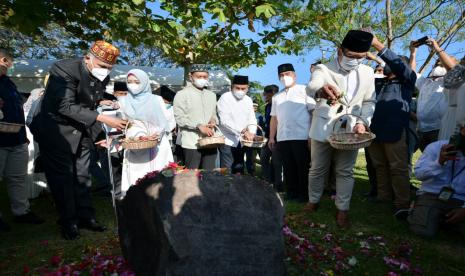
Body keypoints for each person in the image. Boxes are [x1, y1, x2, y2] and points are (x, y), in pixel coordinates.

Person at [31, 41, 127, 240]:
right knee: (63, 178)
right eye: (102, 66)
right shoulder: (63, 68)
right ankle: (69, 222)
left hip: (82, 129)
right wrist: (103, 119)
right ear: (87, 58)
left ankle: (86, 217)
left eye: (109, 68)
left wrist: (100, 135)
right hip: (55, 131)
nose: (105, 71)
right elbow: (64, 106)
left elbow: (90, 105)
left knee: (83, 176)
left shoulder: (102, 75)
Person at [306, 30, 376, 228]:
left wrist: (363, 121)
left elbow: (369, 101)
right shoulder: (323, 68)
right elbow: (313, 85)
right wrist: (320, 90)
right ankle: (313, 201)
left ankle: (342, 209)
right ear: (340, 51)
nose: (355, 61)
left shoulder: (368, 73)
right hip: (324, 127)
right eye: (351, 56)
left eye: (360, 57)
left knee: (345, 171)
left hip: (352, 131)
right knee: (317, 169)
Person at [367, 34, 416, 219]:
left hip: (395, 130)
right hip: (376, 130)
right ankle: (383, 197)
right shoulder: (380, 82)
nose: (386, 64)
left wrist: (378, 44)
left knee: (398, 167)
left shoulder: (407, 80)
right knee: (380, 165)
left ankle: (402, 203)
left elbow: (395, 62)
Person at [0, 48, 44, 232]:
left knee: (17, 177)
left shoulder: (9, 83)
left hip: (17, 137)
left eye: (8, 61)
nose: (8, 64)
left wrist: (24, 136)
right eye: (5, 60)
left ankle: (21, 211)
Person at [118, 69, 173, 195]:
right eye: (129, 81)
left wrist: (156, 133)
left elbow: (166, 120)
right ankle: (135, 200)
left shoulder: (156, 99)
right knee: (136, 173)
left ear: (144, 82)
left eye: (137, 82)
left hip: (156, 141)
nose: (133, 85)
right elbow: (123, 123)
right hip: (135, 142)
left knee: (158, 173)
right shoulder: (123, 101)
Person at [408, 126, 465, 238]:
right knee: (422, 231)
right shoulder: (436, 147)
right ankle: (420, 211)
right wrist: (439, 162)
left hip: (461, 200)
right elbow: (419, 174)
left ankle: (440, 220)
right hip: (432, 196)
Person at [269, 63, 315, 202]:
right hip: (283, 137)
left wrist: (311, 135)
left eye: (287, 74)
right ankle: (291, 193)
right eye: (281, 75)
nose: (284, 77)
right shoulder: (276, 97)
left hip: (302, 135)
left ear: (294, 75)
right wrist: (272, 137)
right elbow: (274, 119)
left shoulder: (305, 90)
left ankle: (304, 195)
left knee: (303, 167)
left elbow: (313, 113)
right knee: (288, 167)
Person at [173, 64, 218, 170]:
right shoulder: (182, 94)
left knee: (209, 173)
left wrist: (213, 121)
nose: (202, 79)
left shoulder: (212, 95)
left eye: (205, 77)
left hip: (209, 141)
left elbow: (214, 114)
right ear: (191, 76)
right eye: (199, 76)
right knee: (192, 175)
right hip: (191, 142)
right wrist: (198, 126)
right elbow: (179, 118)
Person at [410, 40, 449, 151]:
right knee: (427, 161)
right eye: (437, 62)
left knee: (438, 163)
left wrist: (437, 49)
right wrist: (413, 52)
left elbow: (452, 69)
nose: (438, 63)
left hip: (438, 130)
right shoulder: (425, 82)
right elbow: (412, 72)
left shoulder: (447, 82)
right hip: (421, 130)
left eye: (441, 62)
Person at [218, 75, 257, 174]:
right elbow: (224, 120)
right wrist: (243, 131)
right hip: (227, 140)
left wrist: (252, 132)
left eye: (243, 88)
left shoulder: (248, 100)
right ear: (232, 87)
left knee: (239, 169)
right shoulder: (225, 98)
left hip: (242, 140)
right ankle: (226, 189)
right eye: (237, 88)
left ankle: (238, 189)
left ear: (247, 88)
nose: (240, 90)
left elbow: (252, 118)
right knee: (227, 170)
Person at [259, 84, 283, 191]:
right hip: (268, 137)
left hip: (278, 138)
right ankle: (267, 182)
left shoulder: (280, 105)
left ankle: (278, 185)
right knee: (263, 158)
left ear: (273, 94)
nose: (264, 96)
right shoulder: (267, 106)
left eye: (266, 94)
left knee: (277, 162)